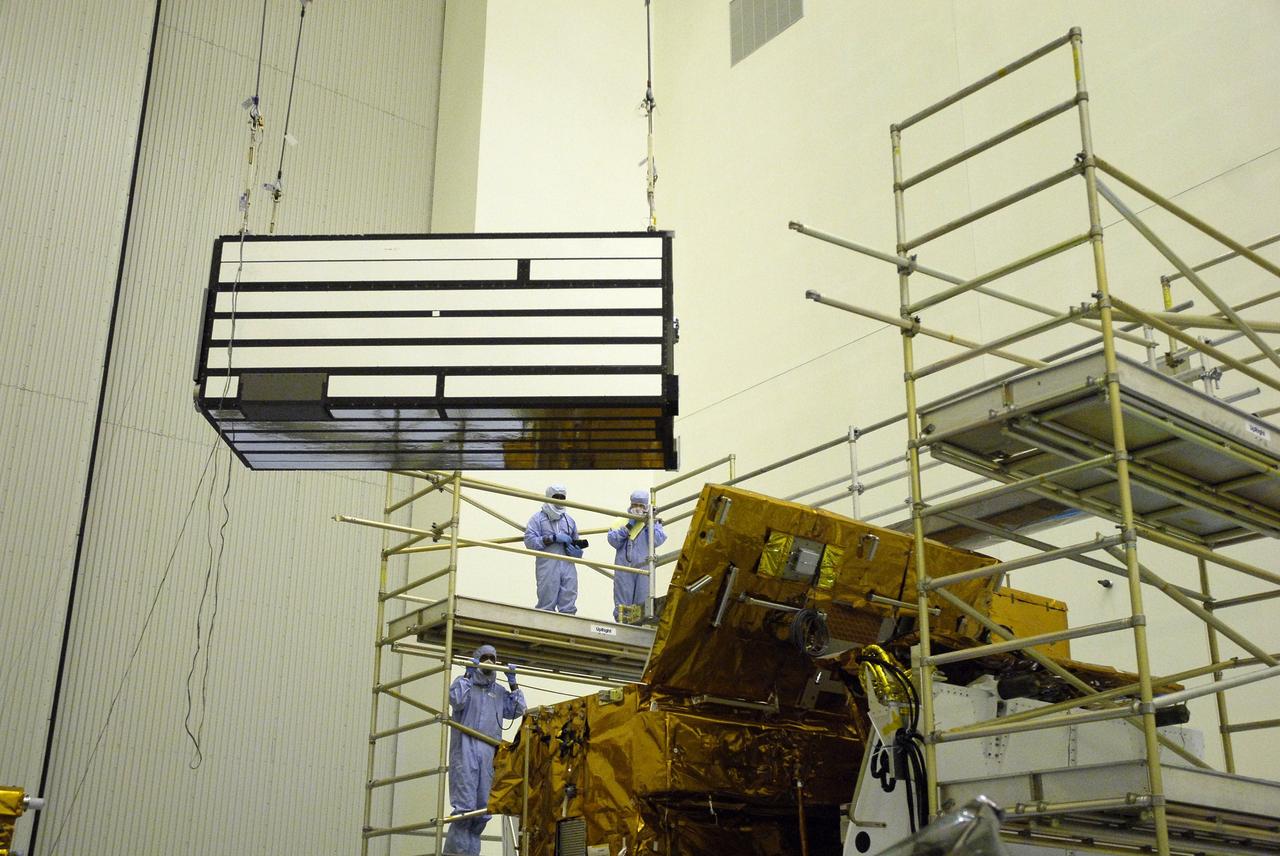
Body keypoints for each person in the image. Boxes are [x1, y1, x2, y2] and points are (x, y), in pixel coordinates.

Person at [444, 644, 526, 856]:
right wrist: (466, 675)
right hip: (465, 750)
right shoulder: (465, 685)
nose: (489, 661)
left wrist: (514, 685)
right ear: (477, 659)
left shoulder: (498, 692)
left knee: (482, 810)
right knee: (464, 809)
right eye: (485, 657)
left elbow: (517, 710)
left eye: (493, 658)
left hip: (489, 754)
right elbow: (456, 700)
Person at [607, 489, 666, 624]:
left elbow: (658, 540)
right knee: (623, 603)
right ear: (630, 505)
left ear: (646, 507)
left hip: (644, 569)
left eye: (641, 506)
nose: (637, 508)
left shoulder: (652, 522)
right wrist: (629, 525)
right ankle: (623, 626)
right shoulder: (621, 521)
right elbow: (613, 540)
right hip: (625, 569)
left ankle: (639, 627)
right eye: (635, 505)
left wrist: (650, 523)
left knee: (642, 603)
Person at [524, 484, 583, 614]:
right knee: (546, 599)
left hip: (568, 565)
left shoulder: (569, 521)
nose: (559, 500)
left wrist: (577, 552)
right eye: (556, 497)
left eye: (562, 497)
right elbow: (529, 541)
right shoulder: (537, 519)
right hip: (547, 565)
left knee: (569, 597)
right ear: (549, 497)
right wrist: (552, 538)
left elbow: (576, 542)